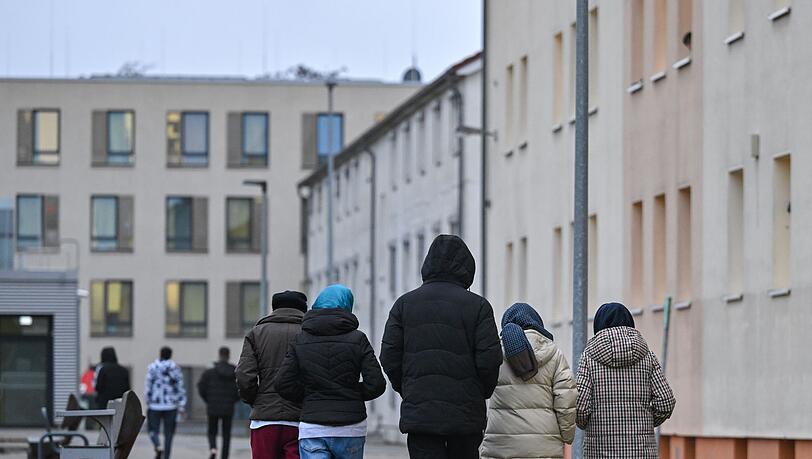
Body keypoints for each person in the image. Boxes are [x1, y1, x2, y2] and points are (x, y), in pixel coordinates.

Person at [380, 234, 503, 459]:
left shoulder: (404, 305)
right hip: (465, 416)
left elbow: (389, 355)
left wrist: (409, 388)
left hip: (421, 416)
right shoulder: (478, 307)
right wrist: (480, 392)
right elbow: (490, 358)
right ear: (466, 268)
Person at [276, 284, 386, 459]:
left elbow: (283, 383)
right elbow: (377, 384)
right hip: (351, 426)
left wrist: (310, 396)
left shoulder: (301, 340)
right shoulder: (358, 339)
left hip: (313, 426)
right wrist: (351, 393)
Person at [576, 302, 676, 459]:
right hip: (642, 453)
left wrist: (589, 424)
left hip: (600, 452)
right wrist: (645, 422)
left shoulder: (588, 358)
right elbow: (665, 402)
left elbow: (580, 408)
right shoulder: (647, 356)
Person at [480, 303, 577, 459]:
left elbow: (480, 394)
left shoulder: (495, 354)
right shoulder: (554, 354)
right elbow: (566, 400)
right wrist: (567, 436)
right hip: (544, 446)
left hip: (500, 444)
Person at [236, 290, 308, 459]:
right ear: (303, 309)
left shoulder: (256, 333)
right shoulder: (310, 333)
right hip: (300, 420)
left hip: (265, 420)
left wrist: (255, 400)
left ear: (274, 308)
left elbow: (244, 375)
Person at [198, 347, 240, 459]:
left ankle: (213, 449)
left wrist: (208, 400)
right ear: (228, 355)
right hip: (228, 408)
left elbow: (201, 387)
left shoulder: (209, 373)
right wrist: (233, 400)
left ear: (219, 355)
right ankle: (224, 456)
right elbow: (241, 389)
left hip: (213, 407)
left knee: (212, 431)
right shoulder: (235, 372)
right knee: (226, 434)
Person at [145, 346, 187, 459]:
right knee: (169, 434)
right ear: (170, 355)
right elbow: (180, 387)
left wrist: (148, 400)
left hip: (155, 404)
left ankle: (158, 446)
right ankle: (166, 456)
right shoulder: (174, 368)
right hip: (171, 405)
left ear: (160, 354)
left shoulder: (152, 367)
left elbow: (148, 385)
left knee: (152, 430)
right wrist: (182, 404)